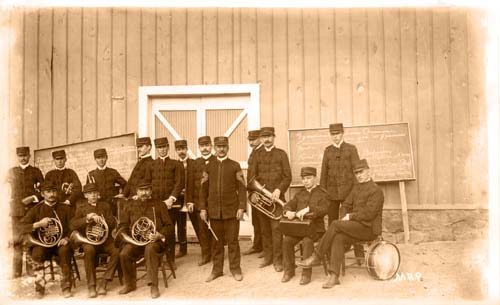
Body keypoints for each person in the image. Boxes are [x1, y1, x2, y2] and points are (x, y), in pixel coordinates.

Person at [298, 159, 384, 289]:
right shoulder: (356, 188)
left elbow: (369, 214)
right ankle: (334, 276)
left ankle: (317, 256)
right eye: (356, 173)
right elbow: (345, 204)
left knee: (335, 225)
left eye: (361, 172)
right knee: (338, 237)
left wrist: (350, 216)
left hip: (369, 229)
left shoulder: (376, 190)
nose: (359, 175)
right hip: (356, 227)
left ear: (368, 171)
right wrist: (344, 214)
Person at [116, 180, 174, 298]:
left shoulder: (159, 204)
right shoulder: (130, 205)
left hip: (155, 241)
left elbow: (170, 226)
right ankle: (130, 284)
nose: (144, 193)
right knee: (124, 253)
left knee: (150, 248)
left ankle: (153, 285)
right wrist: (128, 237)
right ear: (137, 191)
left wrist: (159, 234)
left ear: (151, 191)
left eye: (147, 190)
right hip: (135, 241)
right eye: (141, 190)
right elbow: (123, 225)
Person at [200, 136, 246, 282]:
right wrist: (203, 208)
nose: (221, 149)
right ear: (214, 147)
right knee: (216, 243)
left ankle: (235, 269)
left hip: (231, 212)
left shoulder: (235, 165)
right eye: (218, 146)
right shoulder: (208, 166)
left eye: (224, 146)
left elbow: (242, 188)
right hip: (214, 212)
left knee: (233, 242)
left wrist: (241, 207)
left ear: (228, 147)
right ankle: (217, 270)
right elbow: (203, 190)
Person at [248, 126, 292, 272]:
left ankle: (278, 260)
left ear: (274, 137)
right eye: (264, 137)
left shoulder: (281, 154)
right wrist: (255, 193)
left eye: (269, 136)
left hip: (277, 198)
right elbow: (252, 178)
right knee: (264, 229)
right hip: (261, 199)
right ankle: (268, 257)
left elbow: (287, 176)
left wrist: (279, 190)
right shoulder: (256, 155)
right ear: (261, 139)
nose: (266, 139)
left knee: (276, 229)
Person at [21, 181, 74, 298]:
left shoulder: (65, 208)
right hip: (42, 244)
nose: (52, 194)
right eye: (48, 192)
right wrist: (38, 224)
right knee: (36, 254)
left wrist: (67, 238)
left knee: (65, 252)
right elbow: (21, 226)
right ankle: (40, 288)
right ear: (43, 194)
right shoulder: (36, 209)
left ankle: (66, 287)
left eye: (54, 191)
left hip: (61, 243)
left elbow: (73, 226)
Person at [70, 183, 120, 298]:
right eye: (90, 193)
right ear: (86, 196)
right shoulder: (81, 208)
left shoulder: (105, 206)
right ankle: (91, 286)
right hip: (89, 241)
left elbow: (113, 223)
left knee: (117, 251)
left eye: (95, 193)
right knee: (89, 251)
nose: (93, 195)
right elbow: (73, 225)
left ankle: (104, 282)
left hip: (106, 240)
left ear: (98, 194)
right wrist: (87, 218)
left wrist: (103, 220)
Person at [281, 167, 329, 285]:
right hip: (300, 229)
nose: (305, 181)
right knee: (287, 240)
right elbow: (288, 205)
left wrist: (308, 210)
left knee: (307, 241)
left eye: (308, 178)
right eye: (303, 179)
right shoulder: (300, 194)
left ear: (315, 178)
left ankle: (306, 274)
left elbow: (323, 209)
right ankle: (289, 270)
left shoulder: (323, 194)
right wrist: (287, 212)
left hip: (316, 231)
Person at [7, 146, 44, 278]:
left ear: (29, 156)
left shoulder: (36, 171)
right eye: (20, 156)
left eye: (25, 155)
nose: (23, 158)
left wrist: (33, 198)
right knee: (17, 240)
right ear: (17, 157)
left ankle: (31, 269)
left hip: (31, 211)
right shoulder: (11, 172)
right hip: (16, 211)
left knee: (30, 240)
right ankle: (16, 271)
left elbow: (44, 189)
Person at [150, 137, 183, 263]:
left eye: (164, 147)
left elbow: (179, 183)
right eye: (159, 148)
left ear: (168, 148)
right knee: (156, 230)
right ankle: (157, 260)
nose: (162, 150)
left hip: (171, 204)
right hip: (156, 204)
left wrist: (171, 199)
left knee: (169, 231)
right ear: (156, 149)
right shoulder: (151, 165)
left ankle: (170, 260)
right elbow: (147, 183)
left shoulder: (176, 164)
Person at [320, 123, 359, 224]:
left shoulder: (351, 149)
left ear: (342, 133)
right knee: (332, 220)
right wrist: (324, 192)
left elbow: (357, 171)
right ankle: (333, 239)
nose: (335, 137)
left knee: (347, 219)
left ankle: (348, 239)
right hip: (331, 193)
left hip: (348, 192)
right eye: (333, 134)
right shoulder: (327, 151)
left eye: (337, 134)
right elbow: (323, 173)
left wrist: (355, 191)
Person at [188, 136, 216, 266]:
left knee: (215, 228)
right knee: (202, 230)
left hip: (215, 202)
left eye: (207, 145)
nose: (205, 148)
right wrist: (190, 201)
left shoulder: (217, 161)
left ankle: (216, 253)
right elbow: (189, 184)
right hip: (199, 202)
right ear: (199, 148)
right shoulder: (195, 163)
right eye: (202, 146)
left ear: (211, 146)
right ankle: (206, 254)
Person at [242, 130, 264, 256]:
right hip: (253, 190)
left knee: (262, 221)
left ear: (260, 139)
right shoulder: (254, 152)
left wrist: (257, 190)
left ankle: (266, 248)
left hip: (260, 191)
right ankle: (257, 246)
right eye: (250, 140)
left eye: (254, 139)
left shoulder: (262, 152)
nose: (251, 142)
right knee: (255, 220)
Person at [87, 148, 127, 215]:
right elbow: (88, 192)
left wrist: (123, 194)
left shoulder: (113, 172)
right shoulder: (91, 174)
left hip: (112, 205)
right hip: (98, 205)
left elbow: (125, 184)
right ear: (95, 159)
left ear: (106, 157)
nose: (101, 160)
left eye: (103, 157)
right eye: (98, 158)